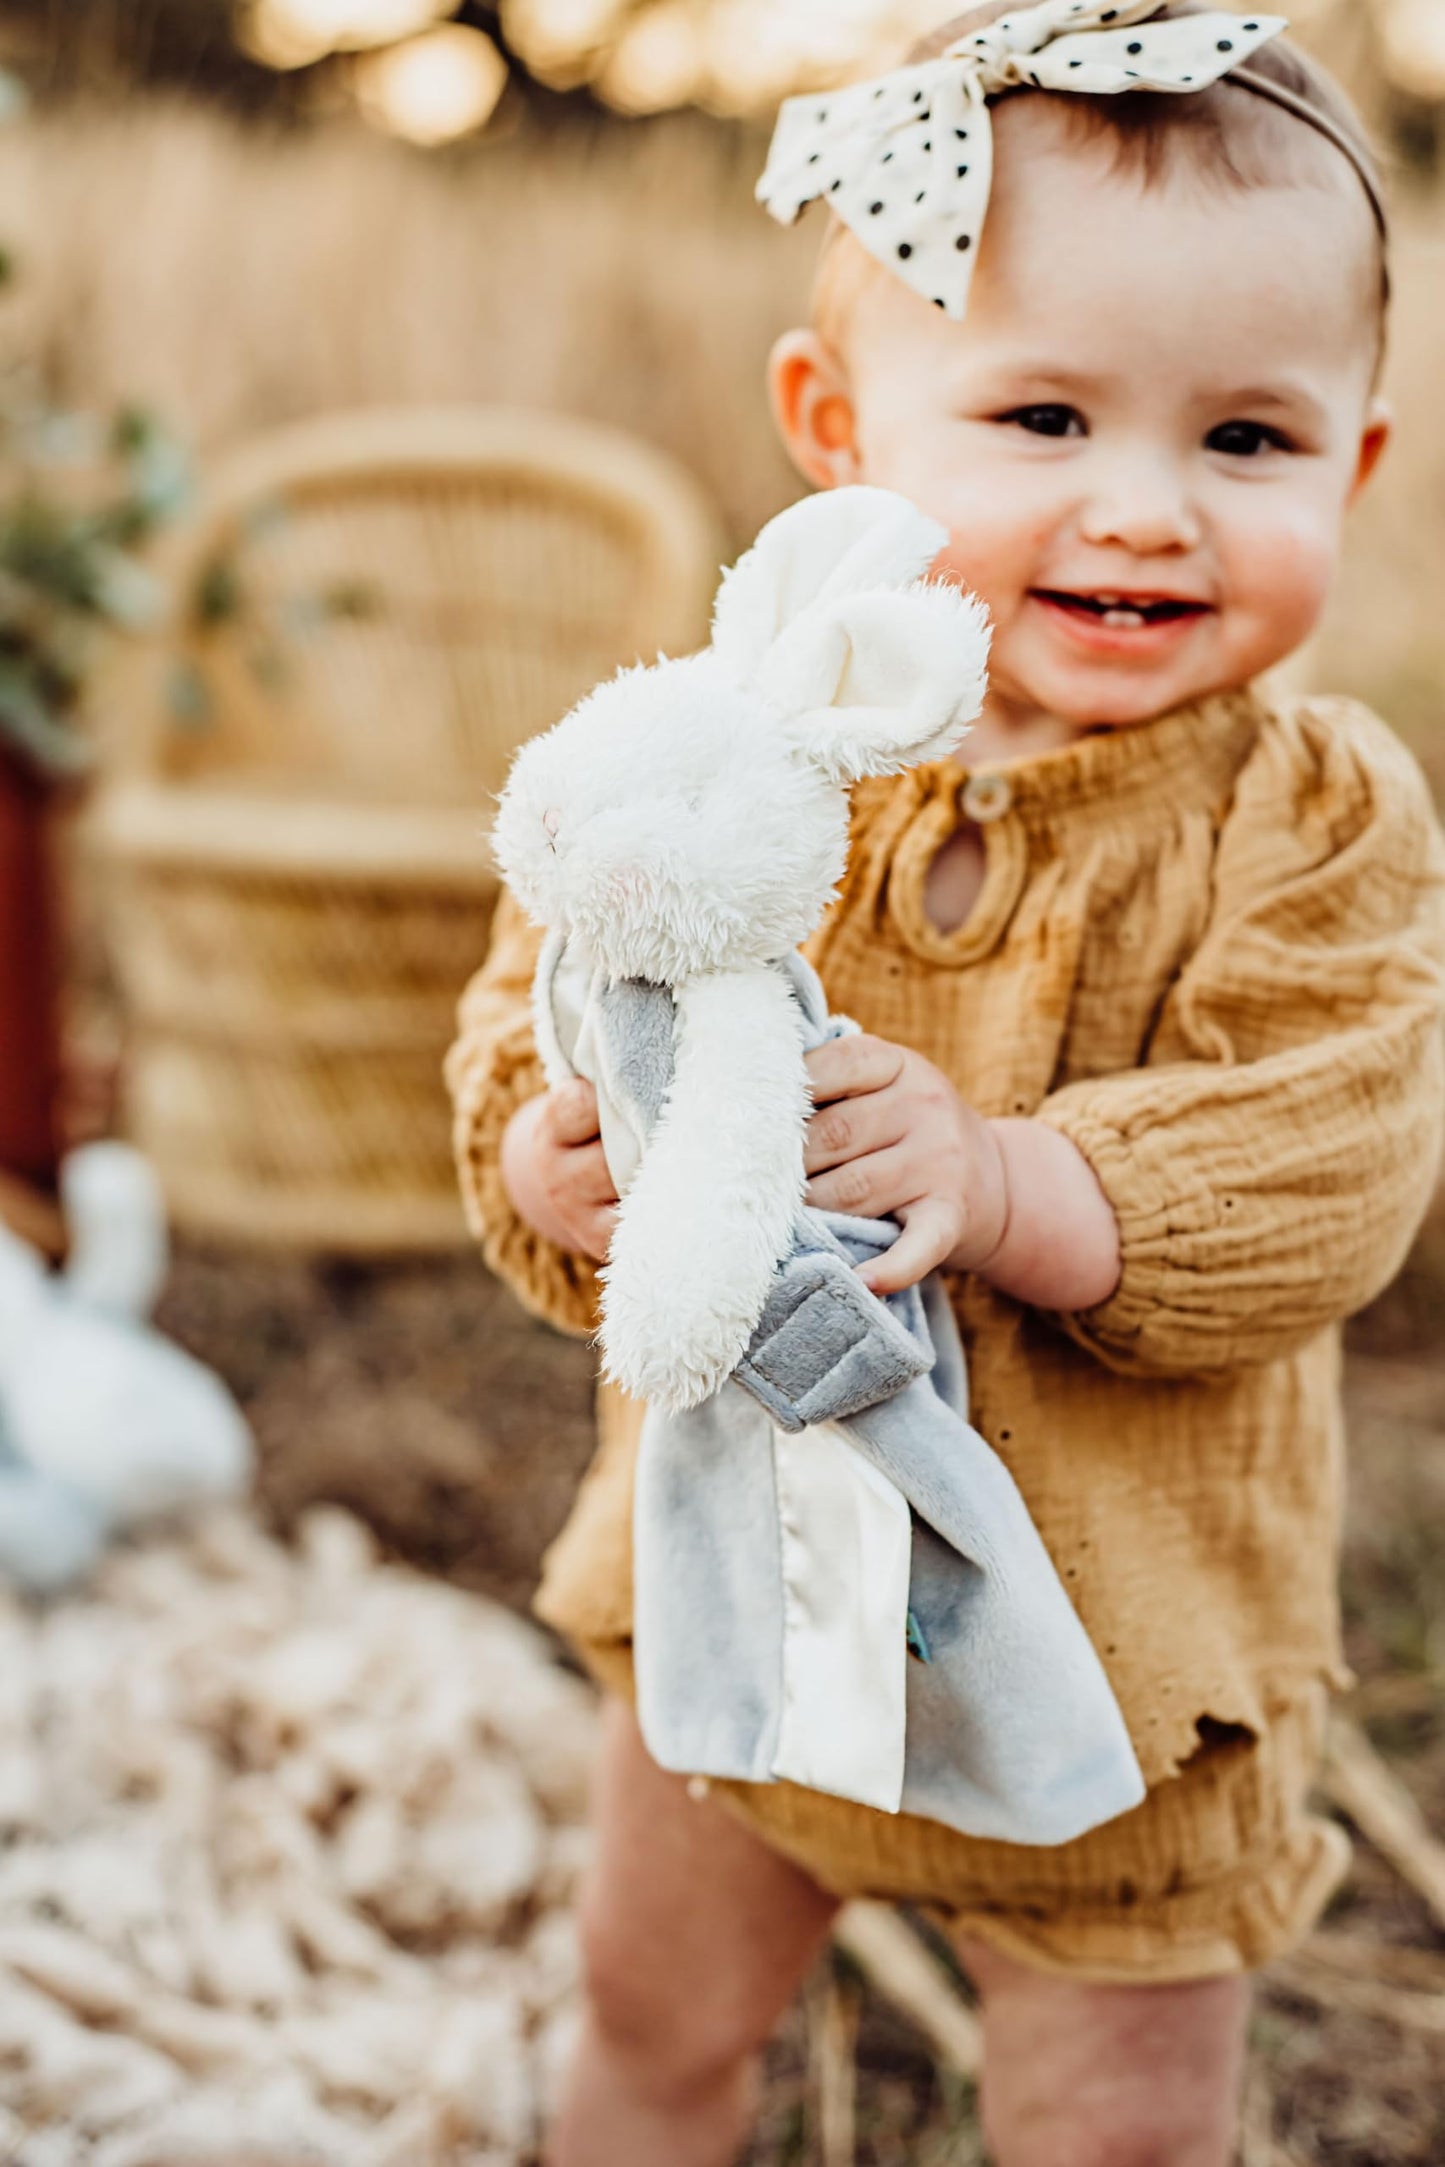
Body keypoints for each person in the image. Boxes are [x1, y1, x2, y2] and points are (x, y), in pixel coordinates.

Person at [446, 5, 1445, 2160]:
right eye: (1047, 412)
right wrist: (554, 1157)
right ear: (839, 428)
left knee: (1112, 2128)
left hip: (1122, 1665)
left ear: (1359, 458)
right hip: (737, 1595)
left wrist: (1013, 1179)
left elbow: (1331, 1147)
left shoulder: (1318, 815)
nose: (1147, 508)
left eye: (1249, 441)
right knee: (648, 2012)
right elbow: (546, 997)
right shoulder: (720, 752)